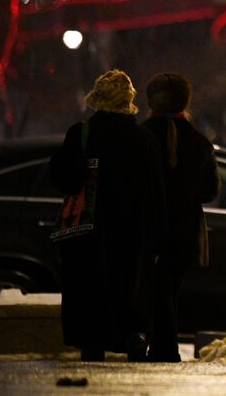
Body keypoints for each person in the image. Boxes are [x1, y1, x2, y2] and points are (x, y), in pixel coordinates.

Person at [49, 70, 165, 362]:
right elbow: (156, 193)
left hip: (90, 233)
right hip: (133, 232)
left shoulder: (82, 133)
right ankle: (134, 336)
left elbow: (65, 179)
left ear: (96, 98)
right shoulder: (144, 139)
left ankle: (92, 342)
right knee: (131, 287)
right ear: (129, 100)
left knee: (90, 289)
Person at [140, 73, 220, 362]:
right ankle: (164, 347)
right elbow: (209, 191)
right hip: (184, 231)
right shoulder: (199, 142)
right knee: (169, 290)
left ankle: (160, 348)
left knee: (153, 290)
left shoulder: (141, 137)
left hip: (147, 230)